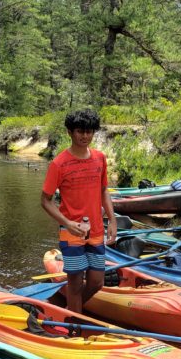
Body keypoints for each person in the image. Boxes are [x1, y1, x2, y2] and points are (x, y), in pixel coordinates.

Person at [40, 109, 117, 313]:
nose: (85, 136)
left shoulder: (100, 158)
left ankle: (69, 312)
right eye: (80, 131)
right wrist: (67, 223)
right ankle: (75, 325)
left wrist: (113, 220)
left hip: (97, 230)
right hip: (71, 232)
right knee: (74, 285)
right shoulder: (59, 163)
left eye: (89, 131)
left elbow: (103, 191)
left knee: (96, 282)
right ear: (70, 132)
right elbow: (45, 201)